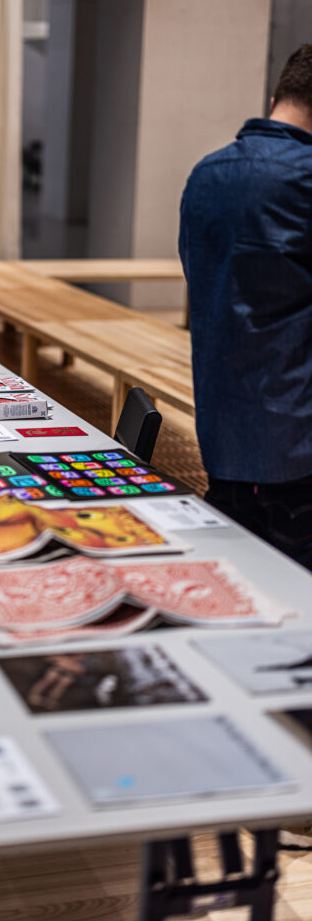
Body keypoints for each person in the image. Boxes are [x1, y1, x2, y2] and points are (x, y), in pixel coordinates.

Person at [179, 44, 312, 571]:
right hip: (299, 445)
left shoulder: (205, 174)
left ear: (276, 99)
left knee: (242, 584)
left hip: (222, 435)